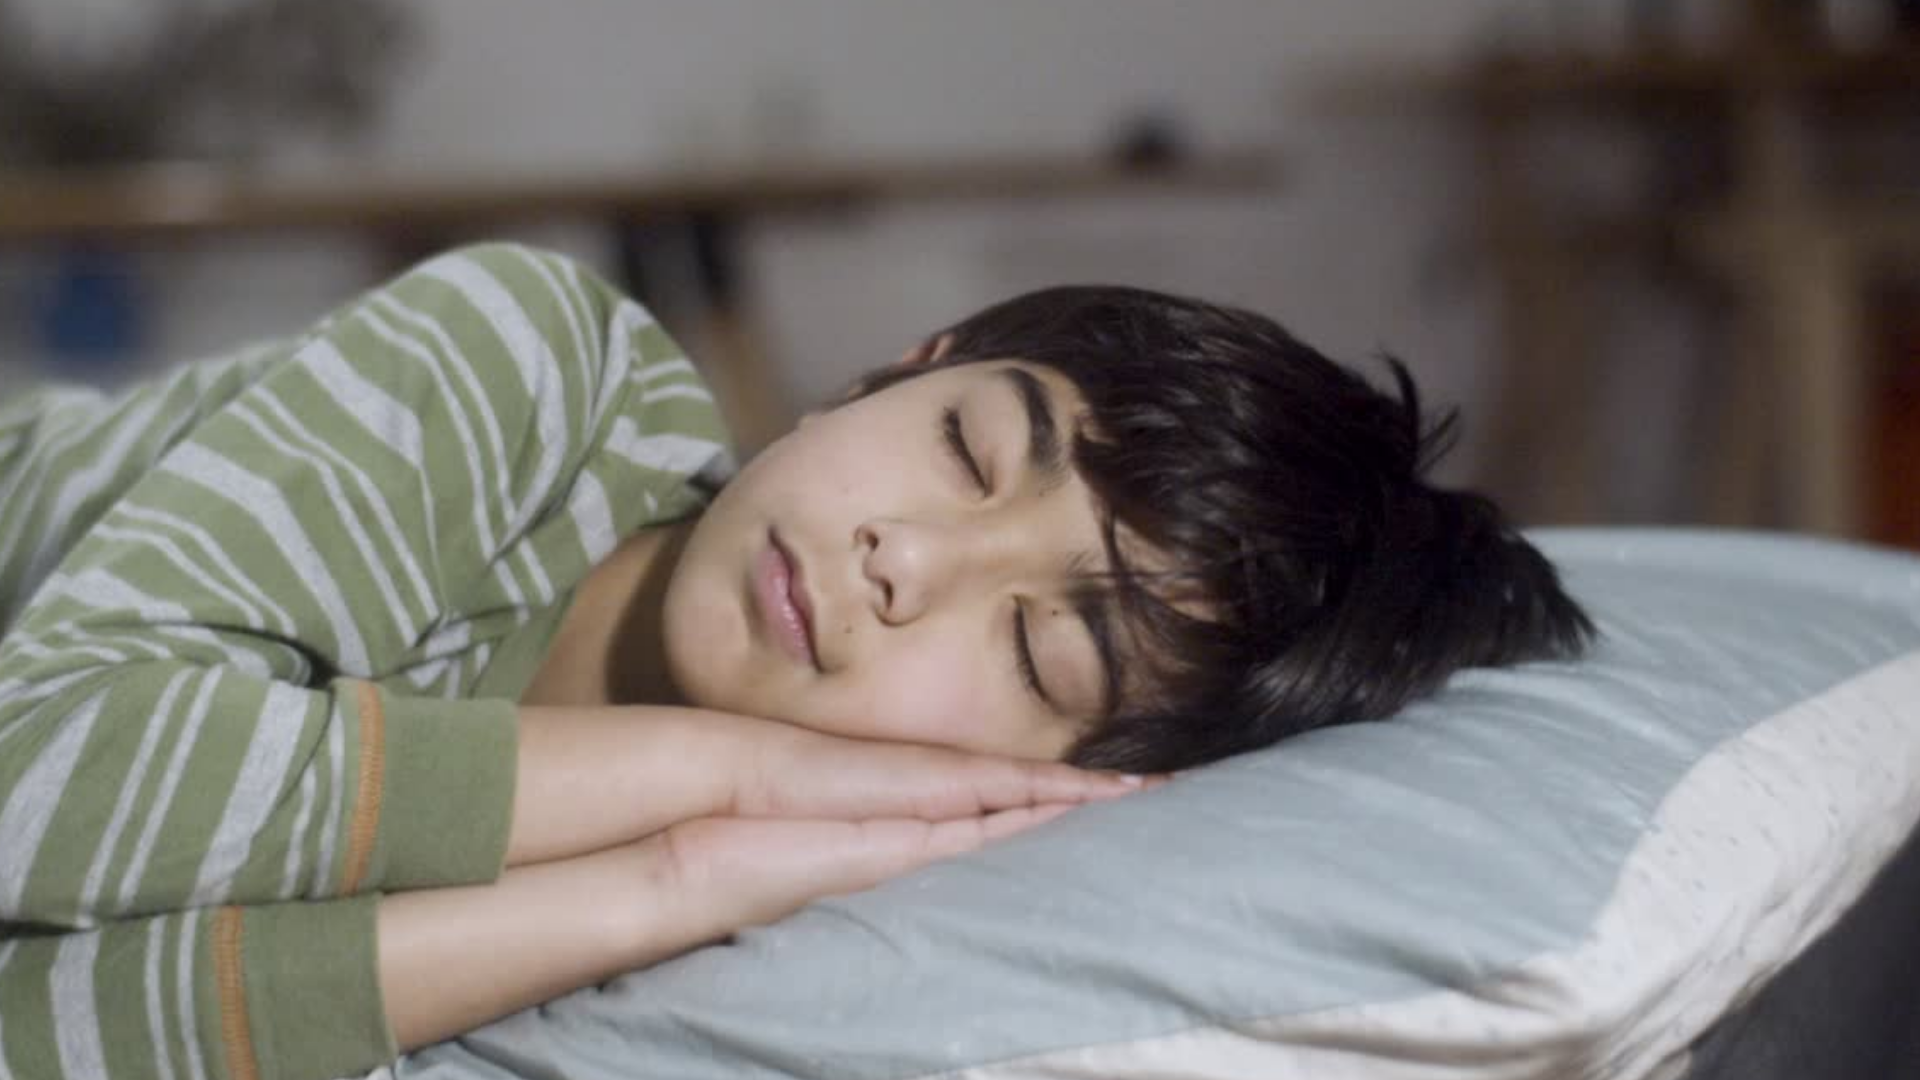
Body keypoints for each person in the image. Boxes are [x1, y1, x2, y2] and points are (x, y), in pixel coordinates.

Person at [0, 243, 1591, 1080]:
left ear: (1055, 780)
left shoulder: (785, 919)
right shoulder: (523, 365)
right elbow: (40, 772)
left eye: (1038, 646)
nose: (909, 560)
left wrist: (671, 882)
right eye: (968, 450)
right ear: (901, 370)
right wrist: (723, 768)